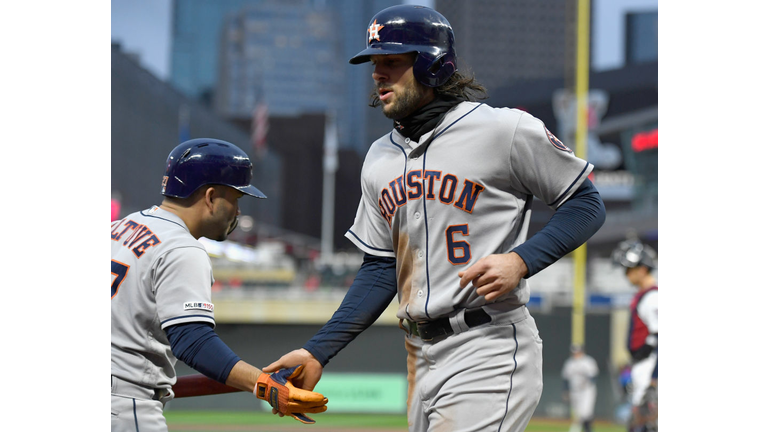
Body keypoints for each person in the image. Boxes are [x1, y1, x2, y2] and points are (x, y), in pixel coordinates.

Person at [264, 5, 606, 432]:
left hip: (488, 344)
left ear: (433, 64)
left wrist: (520, 261)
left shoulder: (503, 130)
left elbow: (585, 203)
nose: (378, 74)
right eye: (375, 64)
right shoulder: (379, 158)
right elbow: (381, 269)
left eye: (392, 62)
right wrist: (318, 351)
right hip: (418, 355)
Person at [111, 138, 328, 432]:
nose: (237, 211)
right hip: (123, 407)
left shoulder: (119, 227)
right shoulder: (181, 248)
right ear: (211, 197)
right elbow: (193, 341)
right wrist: (265, 385)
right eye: (236, 198)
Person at [612, 239, 658, 432]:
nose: (626, 275)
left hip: (650, 368)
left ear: (642, 269)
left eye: (629, 269)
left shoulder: (652, 297)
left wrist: (655, 379)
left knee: (646, 425)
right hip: (643, 368)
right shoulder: (645, 295)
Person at [561, 345, 599, 432]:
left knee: (585, 412)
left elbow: (594, 376)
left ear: (582, 351)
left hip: (587, 391)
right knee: (578, 414)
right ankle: (588, 429)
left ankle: (576, 429)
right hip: (574, 391)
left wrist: (587, 383)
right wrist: (565, 390)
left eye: (577, 352)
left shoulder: (588, 361)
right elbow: (565, 378)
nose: (576, 354)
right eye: (574, 352)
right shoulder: (569, 363)